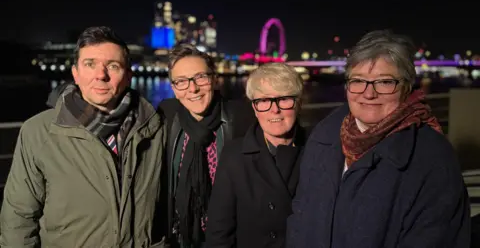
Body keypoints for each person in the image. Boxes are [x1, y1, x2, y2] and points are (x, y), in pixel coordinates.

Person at [287, 30, 471, 248]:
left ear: (406, 86)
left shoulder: (432, 158)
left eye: (384, 82)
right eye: (358, 81)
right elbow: (300, 218)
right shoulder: (323, 136)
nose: (368, 93)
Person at [0, 26, 167, 247]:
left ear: (128, 76)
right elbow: (18, 219)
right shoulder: (38, 131)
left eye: (113, 66)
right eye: (90, 64)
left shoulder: (155, 129)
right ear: (75, 73)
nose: (101, 75)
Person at [157, 43, 254, 247]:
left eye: (200, 77)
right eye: (181, 81)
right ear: (174, 89)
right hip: (177, 238)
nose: (192, 88)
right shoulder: (166, 117)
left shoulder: (242, 119)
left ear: (214, 79)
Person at [206, 63, 308, 248]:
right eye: (263, 101)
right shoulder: (234, 156)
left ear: (298, 103)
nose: (274, 109)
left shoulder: (318, 151)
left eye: (284, 99)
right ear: (254, 108)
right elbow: (219, 233)